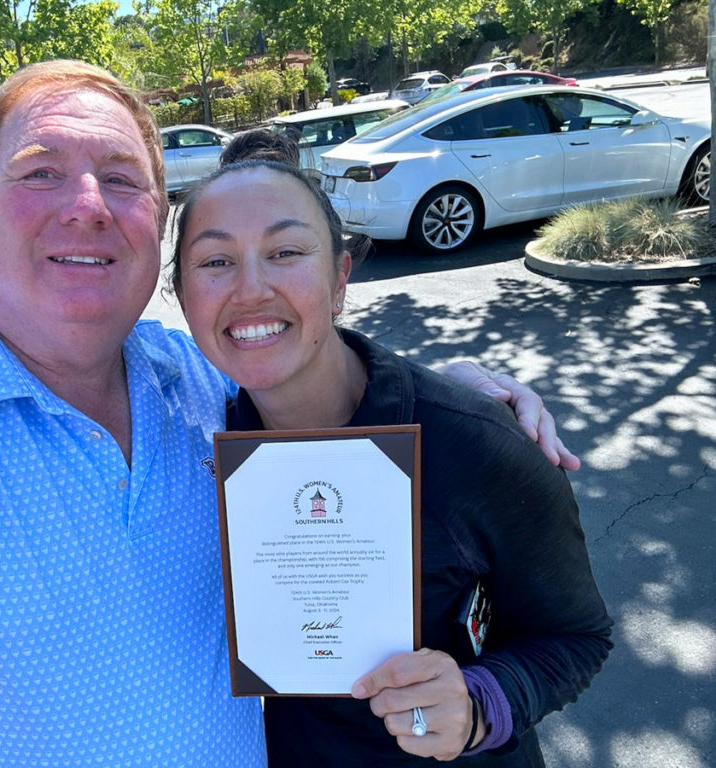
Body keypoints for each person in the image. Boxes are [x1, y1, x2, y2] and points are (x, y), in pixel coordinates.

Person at [0, 62, 572, 767]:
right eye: (41, 172)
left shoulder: (199, 384)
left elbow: (294, 338)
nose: (86, 203)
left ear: (153, 230)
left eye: (122, 178)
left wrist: (447, 392)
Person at [171, 130, 611, 766]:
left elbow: (577, 635)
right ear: (182, 295)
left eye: (286, 251)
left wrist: (479, 702)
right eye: (215, 262)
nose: (250, 290)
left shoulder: (471, 444)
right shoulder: (200, 440)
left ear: (340, 276)